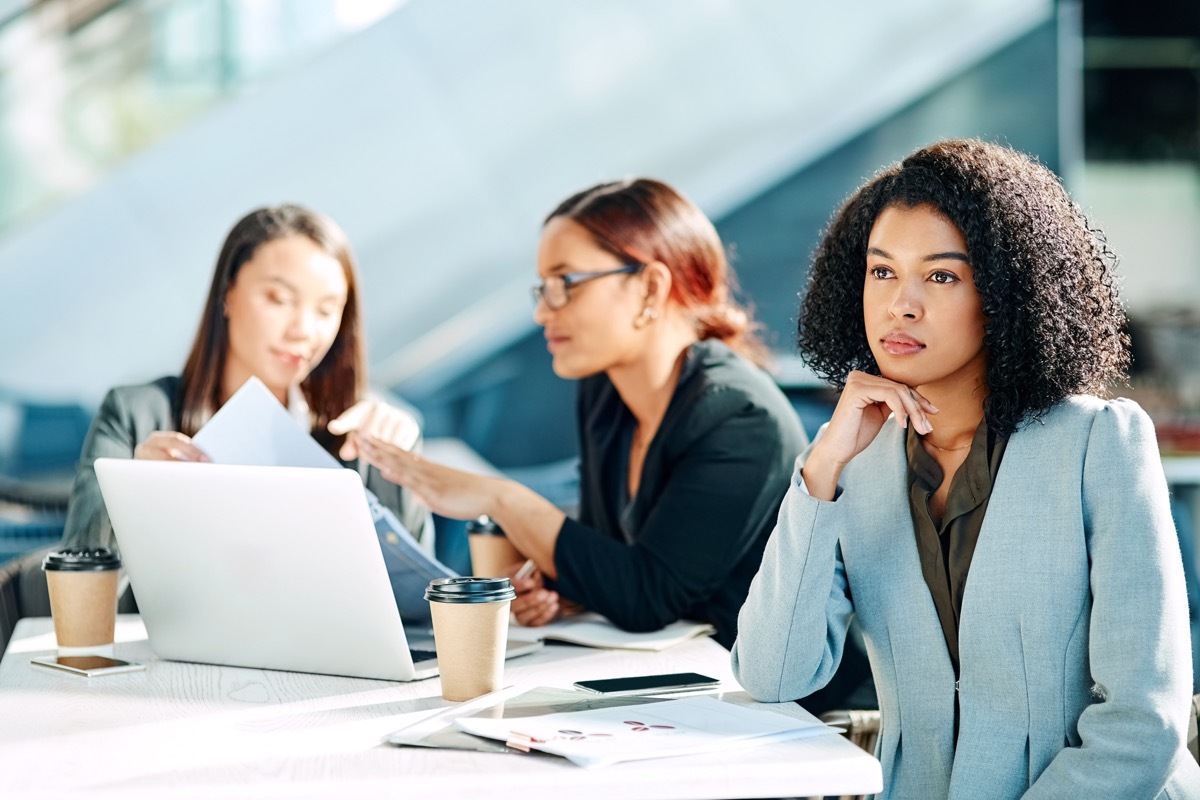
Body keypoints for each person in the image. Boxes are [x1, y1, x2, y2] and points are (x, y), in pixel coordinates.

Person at [731, 139, 1200, 798]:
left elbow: (1142, 724)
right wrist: (824, 467)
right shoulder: (852, 462)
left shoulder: (1099, 443)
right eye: (882, 272)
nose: (902, 304)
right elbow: (775, 674)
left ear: (1006, 293)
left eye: (942, 276)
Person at [350, 178, 806, 653]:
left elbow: (649, 597)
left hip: (774, 704)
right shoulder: (606, 390)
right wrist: (562, 591)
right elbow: (612, 556)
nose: (543, 313)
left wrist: (501, 498)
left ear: (651, 287)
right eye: (541, 289)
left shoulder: (740, 416)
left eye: (565, 284)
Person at [62, 204, 431, 563]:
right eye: (279, 299)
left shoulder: (362, 430)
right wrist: (134, 500)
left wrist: (399, 471)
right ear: (228, 294)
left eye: (325, 310)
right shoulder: (135, 415)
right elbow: (78, 581)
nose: (303, 330)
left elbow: (419, 604)